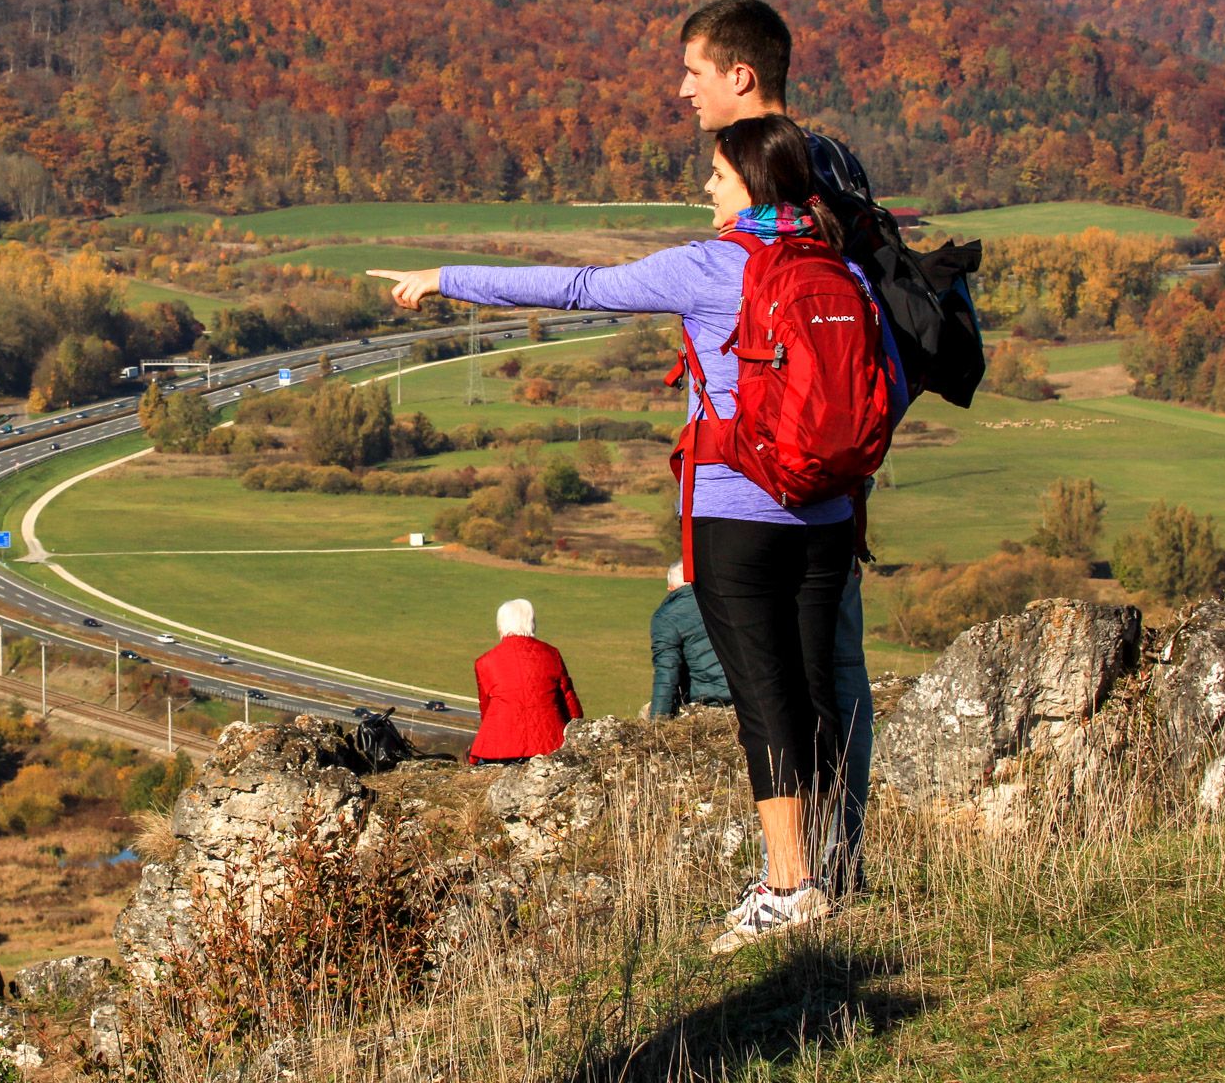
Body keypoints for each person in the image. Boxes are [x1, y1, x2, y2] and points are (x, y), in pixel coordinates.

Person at [370, 112, 901, 953]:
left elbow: (578, 287)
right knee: (817, 697)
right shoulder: (841, 266)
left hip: (737, 511)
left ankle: (788, 886)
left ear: (751, 188)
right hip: (829, 515)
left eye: (717, 179)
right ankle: (830, 872)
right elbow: (885, 384)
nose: (706, 191)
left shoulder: (710, 267)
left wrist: (445, 276)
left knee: (765, 709)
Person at [680, 0, 877, 896]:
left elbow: (580, 285)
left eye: (694, 72)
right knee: (825, 680)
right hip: (836, 483)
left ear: (740, 76)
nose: (684, 91)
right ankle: (833, 870)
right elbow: (869, 341)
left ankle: (812, 875)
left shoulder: (781, 197)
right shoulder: (832, 181)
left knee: (794, 687)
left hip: (767, 491)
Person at [467, 599, 584, 766]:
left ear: (500, 626)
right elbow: (570, 704)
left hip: (499, 748)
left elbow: (486, 711)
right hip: (549, 745)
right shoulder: (551, 654)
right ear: (532, 623)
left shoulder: (485, 662)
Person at [650, 561, 732, 718]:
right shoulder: (728, 601)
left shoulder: (667, 617)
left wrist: (657, 723)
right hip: (750, 695)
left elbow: (667, 672)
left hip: (712, 700)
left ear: (671, 589)